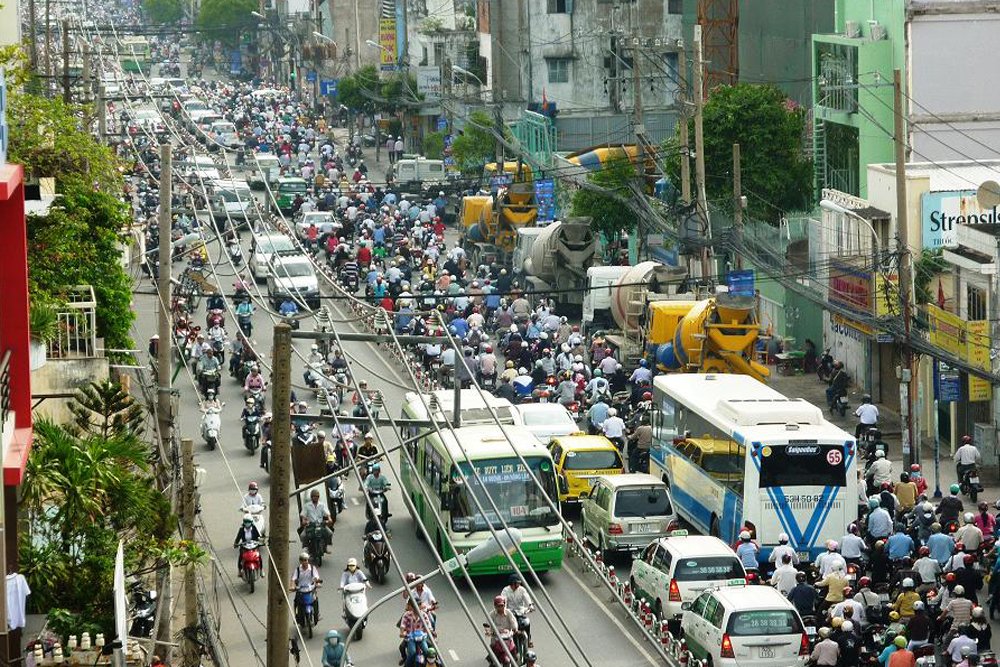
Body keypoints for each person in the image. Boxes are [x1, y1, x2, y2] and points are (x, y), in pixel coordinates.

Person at [501, 575, 534, 648]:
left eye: (519, 583)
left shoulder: (522, 590)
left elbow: (527, 598)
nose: (518, 585)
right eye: (516, 583)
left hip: (520, 612)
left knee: (527, 623)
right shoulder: (505, 590)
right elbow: (503, 600)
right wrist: (504, 610)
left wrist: (530, 605)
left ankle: (529, 640)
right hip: (510, 613)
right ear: (512, 583)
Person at [289, 552, 322, 620]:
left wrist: (317, 583)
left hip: (310, 589)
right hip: (300, 590)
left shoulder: (312, 568)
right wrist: (292, 586)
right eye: (303, 560)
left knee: (315, 600)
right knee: (296, 601)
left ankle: (316, 614)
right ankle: (297, 616)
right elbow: (293, 579)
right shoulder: (298, 570)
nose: (305, 562)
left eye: (306, 560)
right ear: (300, 561)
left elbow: (316, 577)